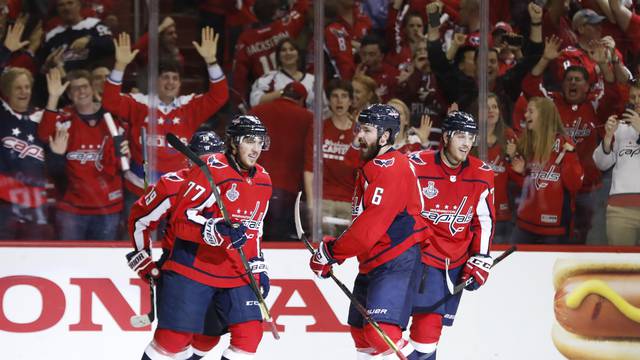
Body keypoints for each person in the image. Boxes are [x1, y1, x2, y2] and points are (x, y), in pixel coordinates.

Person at [142, 115, 272, 360]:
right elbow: (181, 221)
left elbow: (255, 229)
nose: (256, 149)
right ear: (233, 142)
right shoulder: (211, 170)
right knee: (172, 341)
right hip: (194, 268)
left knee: (249, 336)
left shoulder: (264, 180)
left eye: (260, 141)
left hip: (235, 270)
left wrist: (257, 266)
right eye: (249, 141)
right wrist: (215, 228)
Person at [309, 104, 428, 359]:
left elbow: (369, 228)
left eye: (367, 130)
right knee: (361, 334)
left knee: (380, 332)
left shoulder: (391, 168)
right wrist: (333, 252)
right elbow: (363, 226)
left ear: (385, 136)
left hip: (396, 259)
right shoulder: (374, 165)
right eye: (359, 129)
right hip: (374, 260)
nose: (358, 137)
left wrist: (331, 252)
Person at [103, 28, 228, 234]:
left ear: (180, 83)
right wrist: (120, 65)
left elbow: (219, 96)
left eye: (175, 78)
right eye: (165, 77)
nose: (170, 82)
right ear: (156, 81)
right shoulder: (140, 104)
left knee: (174, 248)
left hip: (177, 192)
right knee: (138, 245)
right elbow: (110, 100)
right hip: (140, 190)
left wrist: (212, 61)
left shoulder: (188, 106)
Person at [127, 131, 226, 359]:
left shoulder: (234, 183)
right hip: (181, 266)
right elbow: (140, 220)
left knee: (210, 335)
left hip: (220, 269)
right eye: (204, 157)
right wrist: (143, 258)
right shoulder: (173, 185)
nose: (210, 163)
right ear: (189, 158)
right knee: (173, 339)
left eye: (216, 157)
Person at [407, 111, 495, 360]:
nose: (467, 143)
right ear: (445, 136)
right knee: (423, 327)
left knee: (430, 331)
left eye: (471, 137)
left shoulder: (482, 173)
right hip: (420, 258)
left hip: (454, 261)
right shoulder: (417, 165)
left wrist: (481, 258)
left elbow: (484, 220)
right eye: (460, 135)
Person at [39, 68, 128, 240]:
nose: (81, 91)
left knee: (102, 264)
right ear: (70, 95)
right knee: (68, 264)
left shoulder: (113, 118)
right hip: (72, 209)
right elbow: (44, 134)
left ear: (93, 88)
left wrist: (125, 154)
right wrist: (53, 98)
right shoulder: (65, 118)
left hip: (108, 207)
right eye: (75, 88)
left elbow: (123, 161)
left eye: (85, 86)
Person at [508, 97, 584, 244]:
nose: (525, 115)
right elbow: (524, 187)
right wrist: (518, 171)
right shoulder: (526, 143)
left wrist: (569, 155)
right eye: (526, 112)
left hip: (554, 229)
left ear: (544, 115)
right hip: (525, 225)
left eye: (530, 111)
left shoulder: (564, 144)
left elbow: (574, 185)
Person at [249, 81, 312, 240]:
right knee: (281, 243)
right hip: (289, 190)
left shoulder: (256, 111)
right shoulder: (308, 117)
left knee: (256, 238)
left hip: (255, 186)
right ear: (301, 100)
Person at [0, 67, 51, 239]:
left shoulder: (41, 116)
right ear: (7, 91)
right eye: (18, 87)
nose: (24, 92)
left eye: (27, 87)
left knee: (35, 258)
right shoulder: (3, 115)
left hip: (35, 203)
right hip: (4, 204)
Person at [304, 79, 359, 236]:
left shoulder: (359, 132)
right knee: (322, 247)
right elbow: (309, 170)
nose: (339, 100)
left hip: (350, 201)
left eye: (344, 96)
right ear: (329, 100)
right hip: (324, 200)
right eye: (335, 96)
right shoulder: (318, 128)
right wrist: (311, 204)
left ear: (350, 101)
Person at [592, 83, 640, 246]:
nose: (637, 101)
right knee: (621, 267)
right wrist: (607, 138)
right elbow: (601, 164)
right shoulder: (620, 130)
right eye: (633, 97)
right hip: (620, 210)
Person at [39, 0, 114, 71]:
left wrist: (90, 40)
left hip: (92, 76)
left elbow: (112, 44)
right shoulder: (51, 35)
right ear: (57, 9)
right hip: (63, 78)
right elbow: (43, 63)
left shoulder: (94, 24)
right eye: (61, 5)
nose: (66, 8)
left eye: (70, 3)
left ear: (79, 5)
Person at [485, 94, 518, 243]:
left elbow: (519, 178)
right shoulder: (470, 138)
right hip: (475, 215)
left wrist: (512, 158)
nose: (491, 111)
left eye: (494, 107)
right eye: (486, 108)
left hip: (502, 215)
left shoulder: (509, 136)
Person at [249, 37, 315, 109]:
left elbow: (324, 110)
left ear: (298, 54)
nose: (288, 53)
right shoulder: (268, 79)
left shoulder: (313, 80)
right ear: (278, 56)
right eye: (283, 50)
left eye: (292, 49)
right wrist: (282, 93)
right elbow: (255, 102)